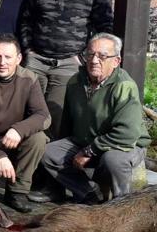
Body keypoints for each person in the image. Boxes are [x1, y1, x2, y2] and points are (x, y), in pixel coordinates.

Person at [31, 33, 150, 204]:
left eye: (102, 56)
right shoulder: (75, 82)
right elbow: (67, 124)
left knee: (113, 160)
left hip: (124, 145)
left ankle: (122, 205)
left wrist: (90, 150)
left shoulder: (124, 86)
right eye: (90, 54)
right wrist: (69, 150)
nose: (94, 60)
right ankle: (89, 194)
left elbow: (127, 134)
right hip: (86, 141)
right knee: (48, 152)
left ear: (116, 61)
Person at [20, 0, 114, 140]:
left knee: (57, 115)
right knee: (25, 108)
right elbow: (25, 22)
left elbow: (104, 30)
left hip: (68, 64)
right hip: (36, 61)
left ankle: (47, 164)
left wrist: (82, 58)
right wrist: (28, 51)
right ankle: (26, 157)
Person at [0, 34, 50, 213]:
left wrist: (18, 130)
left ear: (19, 59)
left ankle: (18, 191)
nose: (2, 62)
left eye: (8, 57)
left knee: (38, 138)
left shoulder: (30, 79)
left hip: (14, 140)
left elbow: (43, 116)